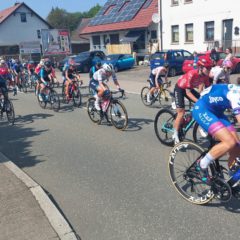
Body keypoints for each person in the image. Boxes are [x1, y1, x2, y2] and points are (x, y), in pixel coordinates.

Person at [192, 84, 240, 184]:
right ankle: (202, 164)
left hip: (217, 112)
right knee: (230, 142)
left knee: (236, 146)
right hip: (202, 109)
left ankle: (233, 181)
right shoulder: (235, 95)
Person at [172, 59, 211, 144]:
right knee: (181, 112)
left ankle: (193, 119)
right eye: (207, 68)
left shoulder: (205, 76)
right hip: (180, 88)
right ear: (200, 67)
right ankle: (175, 134)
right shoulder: (192, 73)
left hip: (189, 89)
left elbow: (208, 90)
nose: (209, 69)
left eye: (210, 67)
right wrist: (198, 101)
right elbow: (188, 92)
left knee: (204, 105)